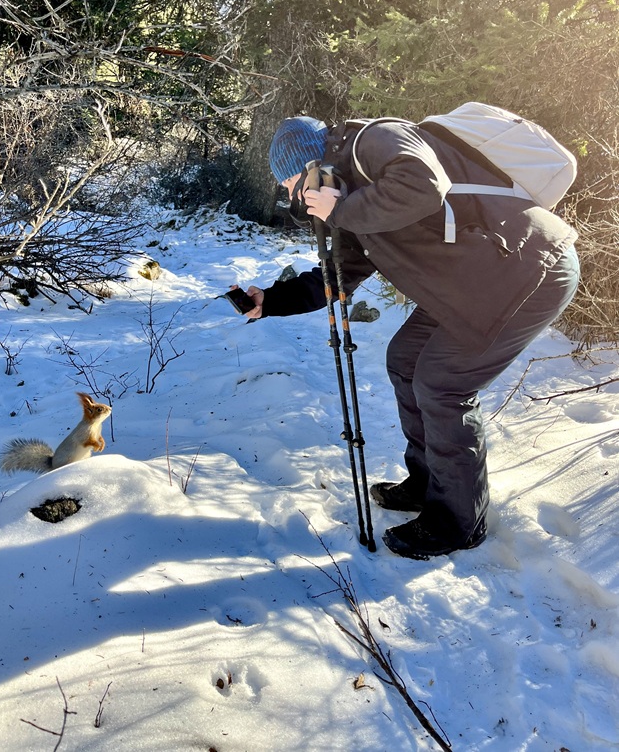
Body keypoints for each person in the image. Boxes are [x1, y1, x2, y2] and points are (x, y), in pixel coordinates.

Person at [239, 115, 579, 559]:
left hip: (528, 273)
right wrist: (273, 299)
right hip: (475, 283)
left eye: (294, 185)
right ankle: (429, 485)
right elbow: (339, 274)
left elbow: (423, 185)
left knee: (442, 382)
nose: (296, 199)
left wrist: (340, 210)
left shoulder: (375, 139)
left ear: (315, 166)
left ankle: (459, 522)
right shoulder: (357, 202)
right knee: (404, 359)